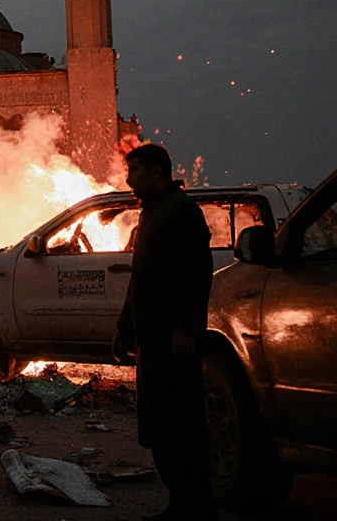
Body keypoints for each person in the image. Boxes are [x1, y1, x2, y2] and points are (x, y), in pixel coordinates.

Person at [112, 144, 218, 521]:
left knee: (181, 425)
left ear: (158, 172)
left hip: (173, 343)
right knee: (160, 426)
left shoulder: (181, 213)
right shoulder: (152, 215)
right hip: (151, 340)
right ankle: (180, 503)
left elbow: (195, 274)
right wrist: (126, 327)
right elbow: (140, 278)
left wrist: (187, 328)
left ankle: (196, 507)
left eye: (136, 170)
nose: (129, 178)